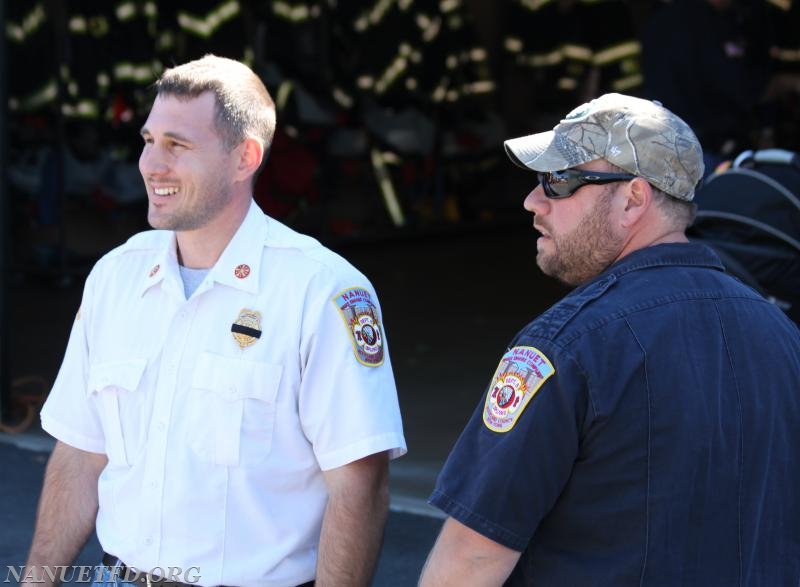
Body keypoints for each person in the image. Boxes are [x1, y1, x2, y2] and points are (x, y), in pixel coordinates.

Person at [23, 54, 406, 587]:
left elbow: (359, 486)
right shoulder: (115, 278)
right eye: (148, 140)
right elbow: (80, 453)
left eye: (177, 145)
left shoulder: (320, 291)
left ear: (244, 156)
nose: (151, 164)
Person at [419, 93, 800, 585]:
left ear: (634, 199)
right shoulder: (783, 337)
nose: (533, 202)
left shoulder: (564, 348)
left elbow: (470, 562)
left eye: (559, 180)